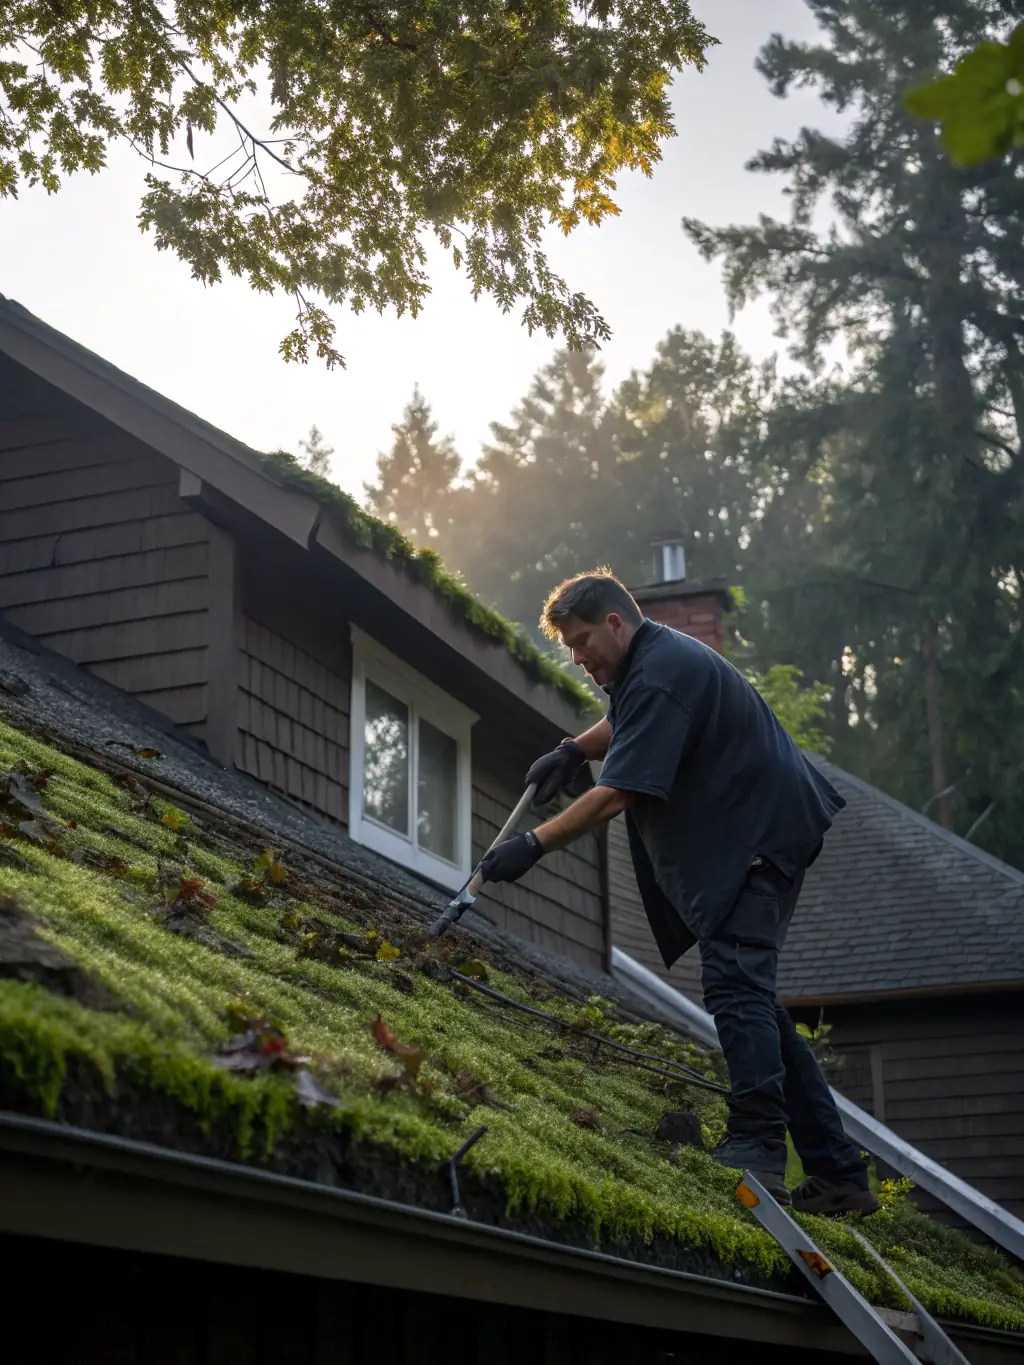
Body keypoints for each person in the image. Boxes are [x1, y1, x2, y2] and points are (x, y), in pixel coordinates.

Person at [477, 569, 877, 1216]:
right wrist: (573, 749)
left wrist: (534, 844)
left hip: (759, 832)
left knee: (733, 984)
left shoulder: (662, 670)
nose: (579, 660)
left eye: (583, 642)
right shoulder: (652, 664)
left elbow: (622, 791)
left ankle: (756, 1144)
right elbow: (626, 721)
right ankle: (836, 1171)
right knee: (755, 1000)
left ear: (615, 621)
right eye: (570, 651)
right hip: (759, 827)